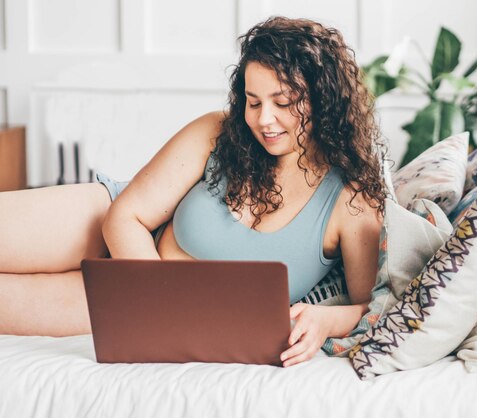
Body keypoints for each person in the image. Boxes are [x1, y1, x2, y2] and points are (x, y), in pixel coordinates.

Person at [0, 16, 387, 367]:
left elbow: (373, 305)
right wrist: (157, 301)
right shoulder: (219, 131)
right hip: (115, 241)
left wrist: (324, 319)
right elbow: (127, 215)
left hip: (136, 304)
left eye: (282, 103)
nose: (263, 119)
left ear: (323, 100)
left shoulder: (351, 202)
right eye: (253, 102)